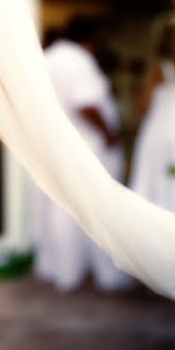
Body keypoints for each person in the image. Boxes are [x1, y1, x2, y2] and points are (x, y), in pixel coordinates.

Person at [34, 17, 133, 292]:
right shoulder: (77, 60)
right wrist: (109, 133)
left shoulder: (48, 58)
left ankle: (65, 272)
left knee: (62, 208)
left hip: (57, 145)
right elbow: (85, 104)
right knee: (99, 208)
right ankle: (106, 275)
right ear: (88, 41)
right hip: (87, 146)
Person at [130, 20, 175, 212]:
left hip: (158, 130)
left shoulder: (158, 68)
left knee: (152, 178)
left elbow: (144, 105)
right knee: (173, 179)